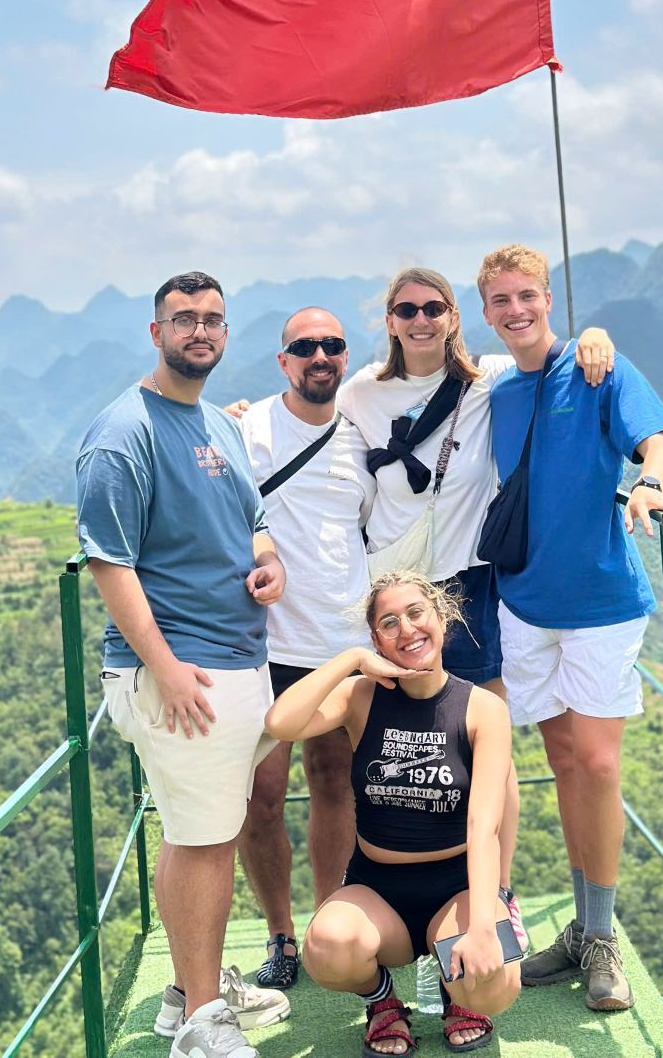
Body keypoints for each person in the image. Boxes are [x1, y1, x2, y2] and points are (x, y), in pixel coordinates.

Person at [337, 267, 614, 944]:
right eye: (407, 309)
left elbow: (542, 353)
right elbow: (307, 423)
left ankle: (496, 893)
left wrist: (595, 337)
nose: (421, 319)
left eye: (434, 307)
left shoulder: (485, 379)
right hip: (393, 595)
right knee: (383, 746)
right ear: (391, 320)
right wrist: (243, 419)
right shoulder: (361, 393)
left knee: (490, 749)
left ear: (454, 315)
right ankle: (386, 892)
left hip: (467, 589)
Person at [76, 270, 290, 1058]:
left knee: (197, 831)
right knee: (204, 842)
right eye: (184, 319)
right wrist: (162, 665)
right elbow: (109, 563)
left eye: (212, 320)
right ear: (156, 331)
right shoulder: (122, 432)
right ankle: (204, 1025)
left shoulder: (217, 426)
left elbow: (253, 523)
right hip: (184, 673)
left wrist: (270, 567)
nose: (199, 331)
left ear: (225, 334)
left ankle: (184, 992)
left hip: (233, 660)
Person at [478, 243, 663, 1013]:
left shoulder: (599, 369)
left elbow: (655, 444)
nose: (517, 310)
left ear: (547, 297)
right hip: (524, 602)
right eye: (501, 300)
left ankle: (600, 936)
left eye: (527, 295)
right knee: (562, 760)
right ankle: (581, 931)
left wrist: (651, 487)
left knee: (596, 762)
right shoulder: (495, 392)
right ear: (488, 312)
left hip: (599, 602)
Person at [265, 571, 520, 1055]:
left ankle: (455, 990)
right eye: (388, 623)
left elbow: (483, 827)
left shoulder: (482, 708)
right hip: (378, 888)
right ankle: (383, 1003)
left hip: (457, 886)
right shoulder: (362, 697)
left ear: (441, 618)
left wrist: (485, 925)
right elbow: (281, 722)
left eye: (416, 613)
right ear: (376, 638)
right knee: (327, 948)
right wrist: (351, 661)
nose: (407, 630)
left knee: (495, 985)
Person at [236, 306, 376, 992]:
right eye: (305, 347)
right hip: (263, 642)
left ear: (345, 357)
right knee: (258, 797)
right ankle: (281, 937)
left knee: (334, 784)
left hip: (341, 642)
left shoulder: (361, 437)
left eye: (332, 345)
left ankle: (329, 926)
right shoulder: (248, 427)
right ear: (283, 360)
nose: (320, 355)